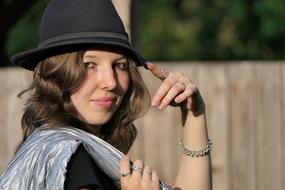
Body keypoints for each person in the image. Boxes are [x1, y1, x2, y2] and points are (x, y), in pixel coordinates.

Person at [0, 0, 212, 189]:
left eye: (120, 65)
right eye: (89, 64)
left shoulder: (62, 150)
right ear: (56, 73)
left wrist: (194, 112)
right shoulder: (72, 159)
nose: (110, 82)